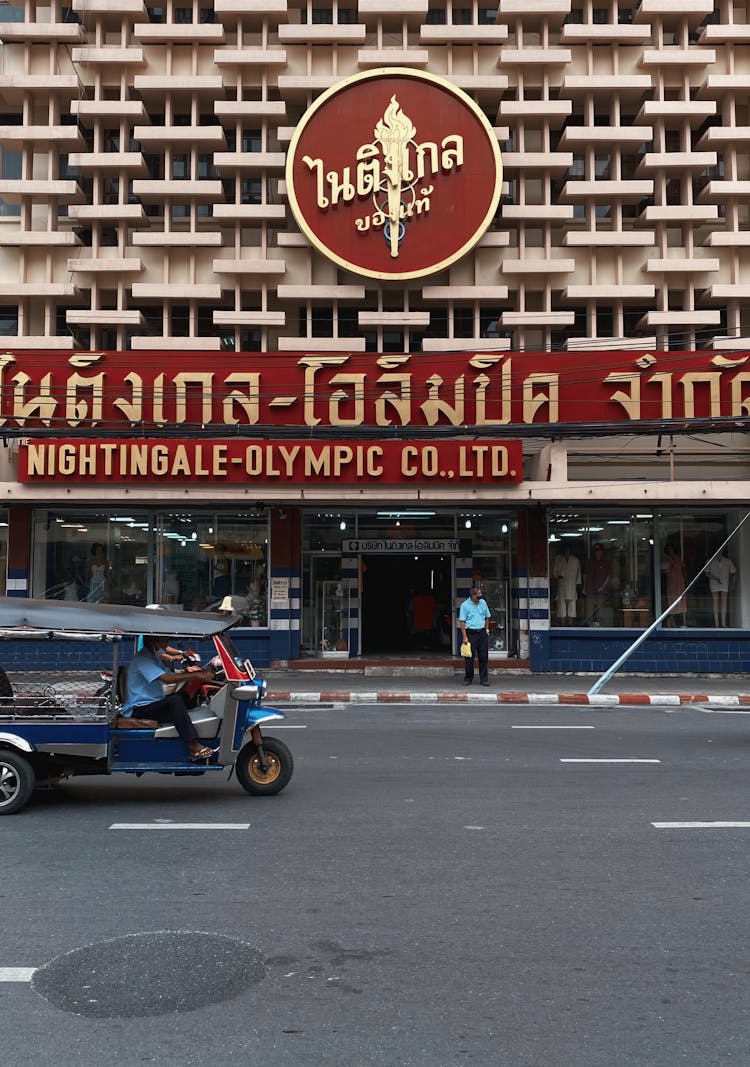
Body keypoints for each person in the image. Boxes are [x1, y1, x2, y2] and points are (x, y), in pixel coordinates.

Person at [119, 634, 218, 760]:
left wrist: (191, 673)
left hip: (152, 703)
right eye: (164, 640)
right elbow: (167, 679)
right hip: (139, 709)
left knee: (183, 696)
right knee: (174, 701)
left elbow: (170, 673)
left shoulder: (154, 657)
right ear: (153, 641)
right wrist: (198, 675)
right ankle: (193, 745)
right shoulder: (143, 659)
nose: (166, 643)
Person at [459, 585, 491, 686]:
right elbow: (462, 622)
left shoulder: (483, 603)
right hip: (470, 633)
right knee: (469, 657)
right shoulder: (465, 605)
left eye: (481, 594)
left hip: (482, 633)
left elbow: (487, 617)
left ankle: (484, 679)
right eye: (478, 595)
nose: (480, 597)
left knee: (484, 657)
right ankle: (468, 678)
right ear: (472, 596)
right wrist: (464, 637)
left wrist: (486, 629)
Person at [705, 547, 736, 627]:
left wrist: (732, 584)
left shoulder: (727, 561)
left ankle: (723, 623)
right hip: (714, 583)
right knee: (715, 602)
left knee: (724, 603)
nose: (719, 552)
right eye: (718, 550)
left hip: (724, 582)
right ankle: (717, 623)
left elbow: (734, 572)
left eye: (721, 550)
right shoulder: (710, 561)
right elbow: (706, 573)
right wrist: (715, 578)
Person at [553, 545, 581, 623]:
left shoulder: (575, 560)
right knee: (561, 603)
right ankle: (563, 621)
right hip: (562, 583)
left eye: (568, 550)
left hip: (572, 584)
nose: (567, 552)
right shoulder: (559, 559)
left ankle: (570, 621)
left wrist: (578, 584)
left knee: (572, 603)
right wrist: (558, 577)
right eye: (565, 550)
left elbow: (578, 573)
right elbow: (555, 572)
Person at [661, 543, 687, 626]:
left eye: (671, 549)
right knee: (672, 601)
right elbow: (663, 570)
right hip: (671, 583)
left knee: (679, 601)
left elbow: (682, 568)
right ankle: (671, 620)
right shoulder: (665, 560)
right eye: (669, 550)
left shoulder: (678, 559)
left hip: (679, 582)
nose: (670, 551)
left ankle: (676, 621)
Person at [585, 543, 610, 626]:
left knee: (600, 608)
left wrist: (603, 587)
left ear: (602, 552)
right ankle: (589, 623)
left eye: (599, 551)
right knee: (590, 608)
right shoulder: (590, 562)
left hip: (601, 589)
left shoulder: (605, 562)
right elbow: (586, 575)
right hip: (590, 589)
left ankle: (600, 623)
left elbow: (608, 576)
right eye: (596, 552)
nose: (598, 553)